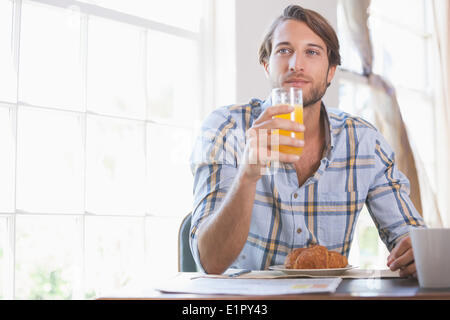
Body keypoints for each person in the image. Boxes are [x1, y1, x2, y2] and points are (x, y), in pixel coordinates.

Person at [189, 5, 425, 275]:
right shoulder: (226, 129)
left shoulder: (364, 142)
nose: (296, 64)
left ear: (331, 72)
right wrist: (247, 175)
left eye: (312, 52)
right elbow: (210, 262)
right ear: (267, 66)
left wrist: (414, 251)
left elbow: (410, 238)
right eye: (284, 51)